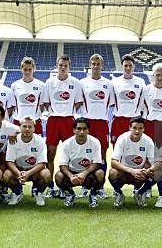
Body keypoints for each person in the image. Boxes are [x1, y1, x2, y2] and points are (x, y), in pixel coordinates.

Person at [41, 55, 83, 197]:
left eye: (65, 65)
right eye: (60, 65)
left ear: (69, 67)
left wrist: (68, 112)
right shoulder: (49, 82)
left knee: (70, 155)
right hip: (53, 120)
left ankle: (66, 186)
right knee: (50, 153)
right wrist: (55, 111)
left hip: (68, 121)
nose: (63, 68)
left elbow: (78, 102)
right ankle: (50, 186)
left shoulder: (75, 82)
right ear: (57, 66)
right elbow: (45, 102)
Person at [140, 63, 162, 204]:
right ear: (153, 75)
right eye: (157, 74)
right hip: (149, 124)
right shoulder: (146, 90)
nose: (160, 77)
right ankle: (147, 188)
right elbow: (142, 108)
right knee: (148, 158)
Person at [79, 54, 114, 198]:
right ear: (90, 64)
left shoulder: (108, 84)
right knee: (84, 154)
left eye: (98, 64)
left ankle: (99, 186)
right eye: (93, 63)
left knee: (102, 155)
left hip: (102, 123)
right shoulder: (82, 83)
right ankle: (84, 186)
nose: (95, 66)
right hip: (87, 122)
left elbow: (111, 104)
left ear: (102, 65)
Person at [55, 118, 104, 208]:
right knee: (58, 176)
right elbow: (62, 165)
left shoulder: (95, 142)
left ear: (88, 130)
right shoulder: (67, 143)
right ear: (74, 130)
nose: (81, 132)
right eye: (79, 129)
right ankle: (69, 194)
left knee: (100, 173)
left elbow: (97, 163)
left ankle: (93, 195)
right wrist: (71, 176)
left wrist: (84, 173)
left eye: (84, 129)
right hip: (72, 174)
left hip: (88, 174)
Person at [109, 117, 157, 207]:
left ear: (144, 129)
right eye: (134, 128)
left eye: (140, 128)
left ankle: (140, 193)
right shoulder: (122, 139)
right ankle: (119, 193)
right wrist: (131, 171)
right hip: (124, 173)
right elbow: (113, 162)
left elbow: (156, 163)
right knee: (112, 172)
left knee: (158, 172)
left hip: (140, 174)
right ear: (130, 128)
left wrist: (147, 170)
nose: (137, 131)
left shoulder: (148, 141)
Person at [4, 116, 51, 206]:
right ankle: (16, 192)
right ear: (20, 127)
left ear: (34, 128)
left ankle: (39, 193)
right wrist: (19, 174)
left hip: (34, 170)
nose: (27, 129)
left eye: (30, 127)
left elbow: (42, 163)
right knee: (6, 175)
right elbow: (10, 162)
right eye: (24, 126)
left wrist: (28, 173)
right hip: (18, 169)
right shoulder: (13, 140)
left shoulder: (40, 141)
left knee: (46, 174)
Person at [110, 54, 145, 144]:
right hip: (118, 120)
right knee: (117, 147)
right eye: (125, 65)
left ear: (134, 67)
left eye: (130, 65)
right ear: (122, 66)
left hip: (135, 120)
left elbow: (144, 102)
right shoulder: (114, 82)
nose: (128, 68)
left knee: (134, 147)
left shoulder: (140, 82)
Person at [10, 57, 45, 134]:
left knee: (37, 146)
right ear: (21, 69)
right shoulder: (14, 85)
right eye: (25, 69)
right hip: (18, 121)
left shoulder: (41, 85)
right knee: (16, 145)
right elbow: (13, 105)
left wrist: (34, 114)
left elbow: (42, 105)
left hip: (35, 121)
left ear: (34, 69)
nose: (27, 72)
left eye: (30, 69)